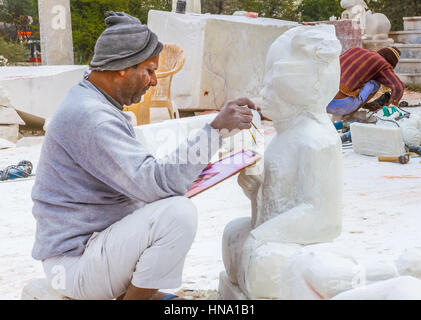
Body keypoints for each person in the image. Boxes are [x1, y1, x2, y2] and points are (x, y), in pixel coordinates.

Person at [31, 11, 258, 300]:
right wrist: (215, 130)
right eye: (149, 71)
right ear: (123, 67)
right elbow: (157, 184)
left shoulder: (92, 102)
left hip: (90, 253)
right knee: (178, 213)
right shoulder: (91, 117)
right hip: (75, 263)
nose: (154, 81)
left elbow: (148, 178)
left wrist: (212, 138)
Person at [327, 46, 405, 120]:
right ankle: (347, 116)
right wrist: (392, 104)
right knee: (375, 83)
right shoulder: (382, 63)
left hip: (322, 101)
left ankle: (357, 106)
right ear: (390, 63)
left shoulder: (354, 49)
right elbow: (398, 87)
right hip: (341, 106)